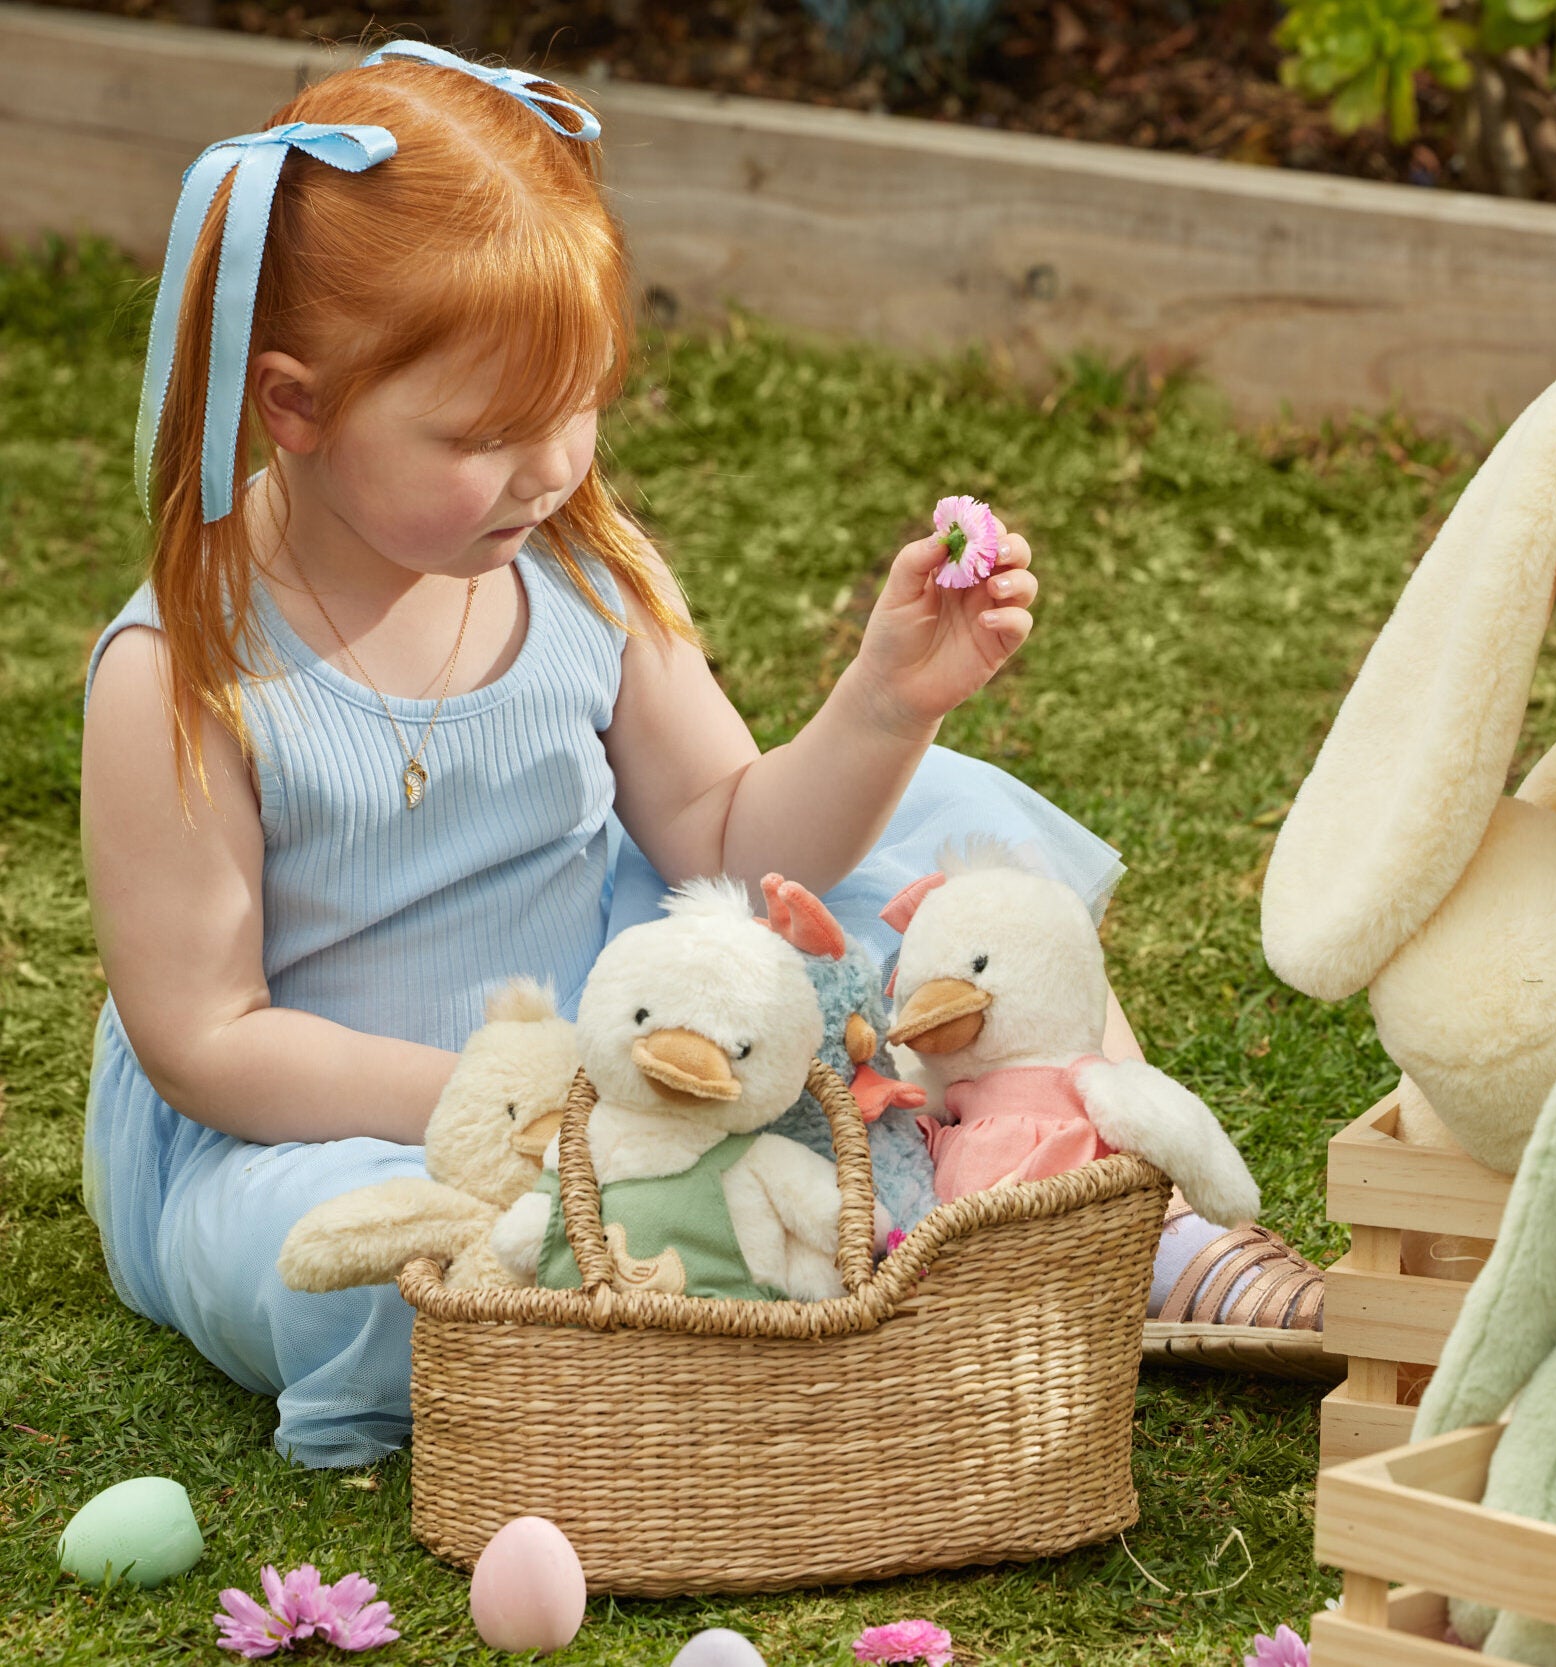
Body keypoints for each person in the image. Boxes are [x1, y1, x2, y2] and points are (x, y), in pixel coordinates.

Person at [79, 46, 1323, 1472]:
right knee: (350, 1259)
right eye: (485, 435)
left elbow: (733, 838)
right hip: (334, 1116)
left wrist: (886, 704)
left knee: (955, 876)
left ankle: (1137, 1219)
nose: (554, 467)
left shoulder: (573, 575)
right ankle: (713, 1293)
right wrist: (516, 1099)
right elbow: (212, 1043)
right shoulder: (183, 671)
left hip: (624, 1011)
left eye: (578, 405)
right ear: (294, 406)